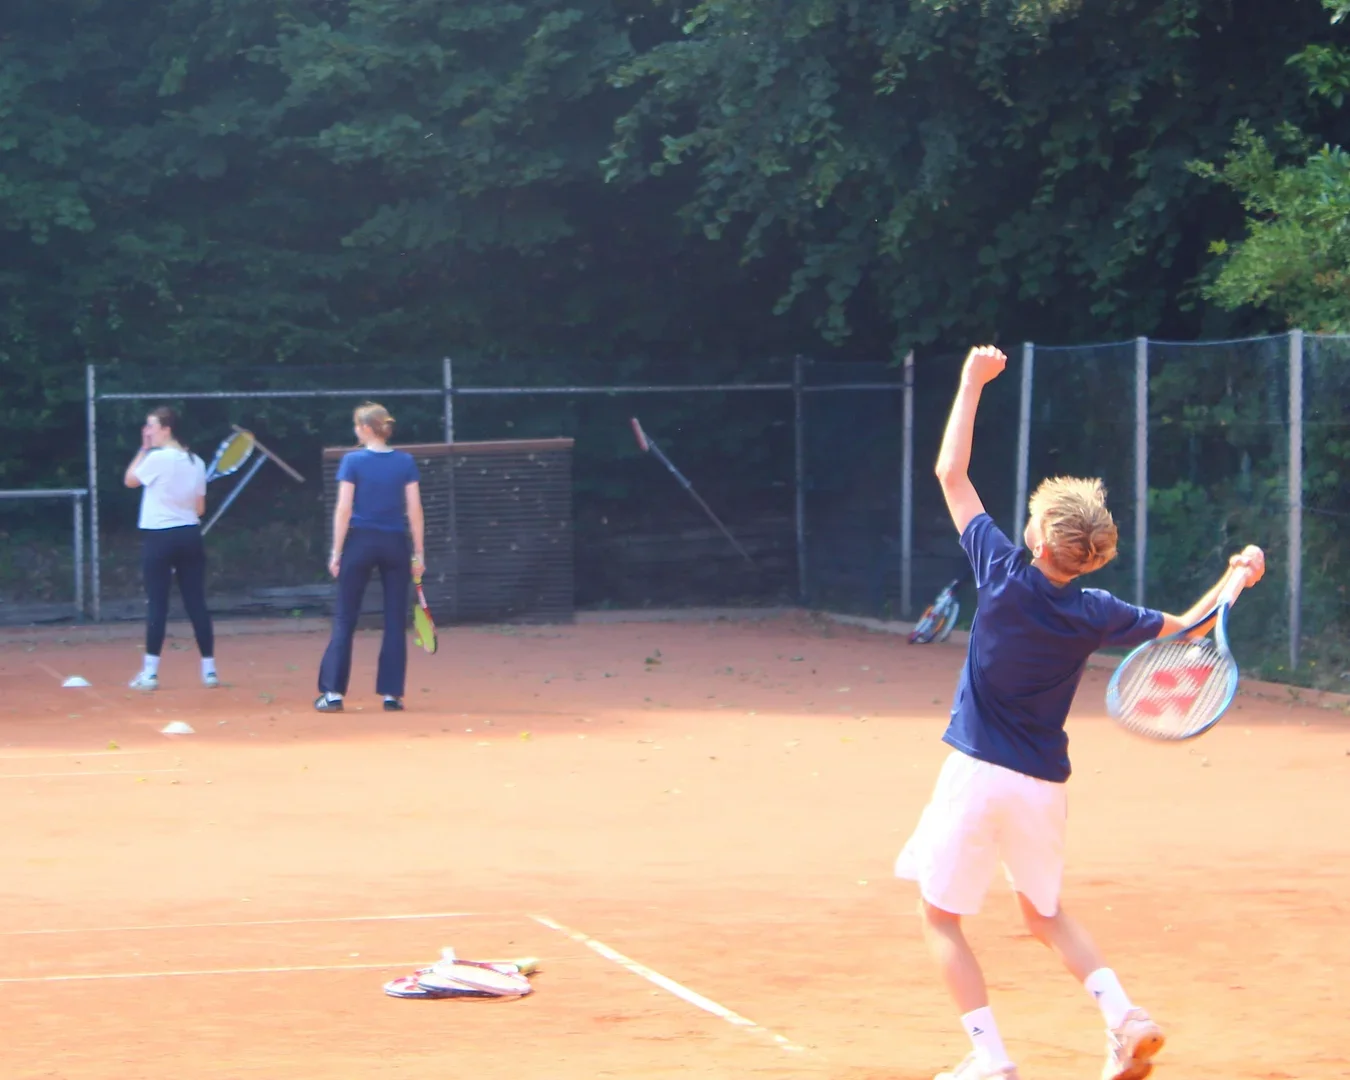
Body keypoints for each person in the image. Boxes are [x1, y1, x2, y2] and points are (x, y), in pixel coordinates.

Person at [897, 346, 1265, 1080]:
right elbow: (1190, 628)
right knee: (1044, 915)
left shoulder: (1000, 573)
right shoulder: (1097, 612)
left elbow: (950, 474)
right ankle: (1125, 1019)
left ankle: (990, 1059)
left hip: (975, 774)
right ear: (1090, 556)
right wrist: (1237, 579)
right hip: (1043, 787)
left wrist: (971, 383)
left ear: (1036, 538)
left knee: (941, 917)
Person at [315, 402, 426, 713]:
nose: (354, 431)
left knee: (345, 618)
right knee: (394, 620)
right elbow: (414, 510)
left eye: (356, 426)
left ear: (366, 429)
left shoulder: (353, 462)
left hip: (361, 543)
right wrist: (418, 552)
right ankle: (392, 695)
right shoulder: (404, 462)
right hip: (395, 544)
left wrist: (336, 551)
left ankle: (333, 693)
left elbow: (344, 509)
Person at [122, 406, 218, 690]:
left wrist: (142, 449)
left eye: (150, 426)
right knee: (196, 603)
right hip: (189, 535)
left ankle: (150, 674)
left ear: (166, 429)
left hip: (159, 537)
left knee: (158, 604)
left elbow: (129, 480)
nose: (147, 431)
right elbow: (200, 508)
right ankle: (209, 671)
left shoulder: (156, 458)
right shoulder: (196, 462)